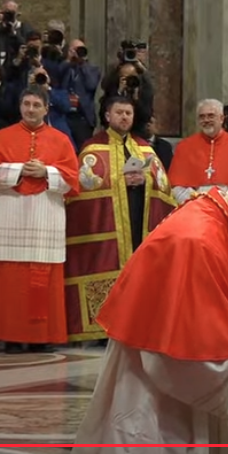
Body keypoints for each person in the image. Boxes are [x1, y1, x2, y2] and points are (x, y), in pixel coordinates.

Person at [71, 133, 228, 452]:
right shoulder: (196, 241)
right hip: (157, 407)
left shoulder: (226, 228)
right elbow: (177, 362)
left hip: (186, 402)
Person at [64, 97, 175, 343]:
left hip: (139, 220)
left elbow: (164, 188)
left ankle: (136, 326)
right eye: (119, 112)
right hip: (108, 226)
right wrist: (118, 182)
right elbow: (82, 189)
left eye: (128, 113)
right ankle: (104, 329)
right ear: (107, 116)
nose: (124, 117)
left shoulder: (144, 148)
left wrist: (145, 182)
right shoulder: (93, 147)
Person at [0, 86, 79, 354]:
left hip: (46, 213)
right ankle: (11, 336)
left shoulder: (61, 140)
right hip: (10, 213)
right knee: (9, 277)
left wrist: (46, 171)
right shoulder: (1, 138)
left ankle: (42, 336)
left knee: (44, 275)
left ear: (46, 109)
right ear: (19, 107)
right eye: (26, 104)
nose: (30, 109)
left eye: (36, 105)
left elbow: (72, 180)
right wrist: (17, 171)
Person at [168, 99, 228, 204]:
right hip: (194, 207)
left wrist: (226, 200)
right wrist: (193, 201)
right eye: (202, 116)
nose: (206, 120)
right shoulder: (185, 146)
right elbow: (176, 186)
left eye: (211, 116)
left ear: (221, 118)